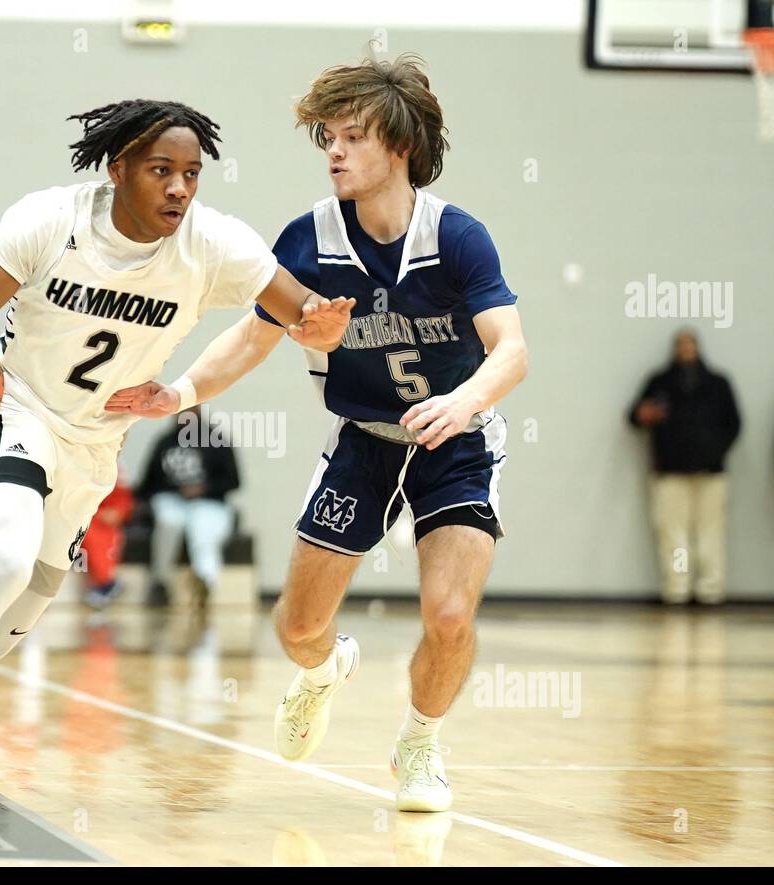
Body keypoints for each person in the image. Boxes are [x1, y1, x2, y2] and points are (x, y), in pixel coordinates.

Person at [0, 99, 355, 822]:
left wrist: (326, 325)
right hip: (15, 409)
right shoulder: (49, 222)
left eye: (192, 174)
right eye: (163, 171)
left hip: (95, 448)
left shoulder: (214, 245)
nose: (181, 188)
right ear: (118, 168)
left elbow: (304, 313)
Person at [114, 53, 527, 812]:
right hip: (364, 440)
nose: (333, 151)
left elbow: (512, 349)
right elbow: (250, 338)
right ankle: (322, 671)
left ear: (399, 145)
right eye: (327, 137)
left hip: (456, 443)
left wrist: (464, 402)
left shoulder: (459, 237)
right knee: (297, 626)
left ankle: (420, 745)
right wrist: (176, 393)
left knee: (448, 613)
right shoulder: (309, 240)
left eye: (352, 136)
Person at [628, 328, 741, 605]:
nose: (687, 350)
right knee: (672, 534)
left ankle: (710, 591)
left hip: (710, 472)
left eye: (691, 344)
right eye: (681, 344)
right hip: (669, 471)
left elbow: (734, 424)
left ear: (699, 348)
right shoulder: (659, 382)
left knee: (710, 532)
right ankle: (676, 590)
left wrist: (714, 452)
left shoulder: (717, 383)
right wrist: (645, 415)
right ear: (674, 348)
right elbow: (634, 416)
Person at [136, 406, 240, 608]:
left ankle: (205, 582)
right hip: (172, 500)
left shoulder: (216, 440)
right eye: (181, 410)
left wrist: (203, 488)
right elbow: (147, 484)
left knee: (203, 532)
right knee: (169, 522)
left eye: (191, 409)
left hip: (209, 502)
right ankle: (160, 583)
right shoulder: (165, 442)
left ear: (199, 411)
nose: (186, 415)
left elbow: (234, 481)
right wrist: (174, 489)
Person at [80, 475, 133, 608]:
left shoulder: (114, 466)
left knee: (99, 535)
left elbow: (122, 497)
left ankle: (105, 583)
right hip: (78, 512)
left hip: (100, 518)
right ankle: (106, 584)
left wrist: (118, 511)